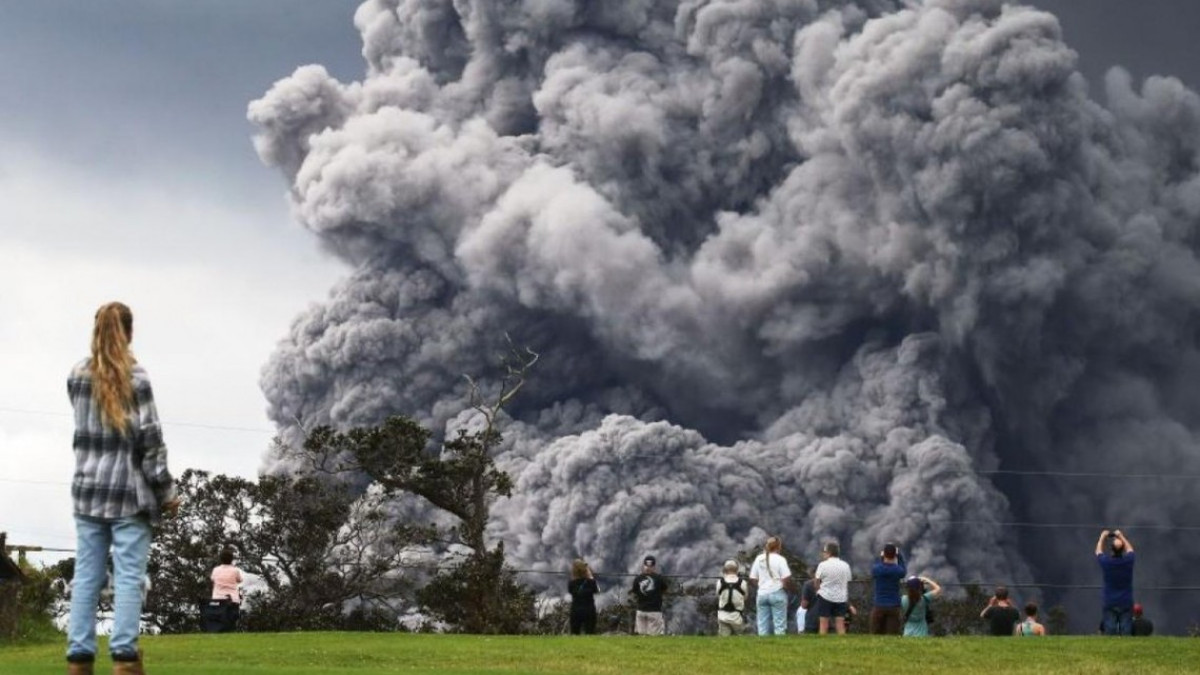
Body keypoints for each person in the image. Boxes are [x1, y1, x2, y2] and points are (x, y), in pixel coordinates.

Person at [66, 302, 178, 675]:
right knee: (129, 577)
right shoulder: (137, 379)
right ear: (129, 333)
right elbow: (150, 442)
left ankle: (79, 659)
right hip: (129, 495)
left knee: (86, 576)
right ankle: (125, 658)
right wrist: (166, 492)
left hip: (87, 492)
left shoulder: (77, 376)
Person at [748, 536, 792, 636]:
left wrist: (761, 586)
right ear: (779, 547)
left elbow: (752, 578)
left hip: (762, 594)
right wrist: (785, 587)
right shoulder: (780, 559)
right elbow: (786, 578)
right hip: (777, 593)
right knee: (779, 626)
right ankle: (779, 648)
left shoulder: (759, 558)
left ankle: (763, 648)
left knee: (762, 625)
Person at [1096, 529, 1135, 636]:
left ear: (1111, 551)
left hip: (1110, 601)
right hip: (1126, 602)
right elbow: (1131, 550)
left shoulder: (1106, 563)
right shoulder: (1128, 561)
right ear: (1122, 550)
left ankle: (1111, 650)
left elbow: (1098, 552)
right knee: (1126, 631)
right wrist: (1121, 536)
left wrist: (1102, 536)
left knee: (1110, 632)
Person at [813, 541, 852, 635]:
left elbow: (816, 581)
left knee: (823, 624)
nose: (823, 554)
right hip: (841, 597)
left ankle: (822, 645)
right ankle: (842, 645)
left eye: (824, 552)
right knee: (840, 624)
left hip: (825, 596)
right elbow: (847, 581)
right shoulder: (845, 565)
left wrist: (818, 591)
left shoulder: (822, 565)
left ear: (828, 553)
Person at [869, 543, 907, 634]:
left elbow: (876, 566)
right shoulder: (898, 571)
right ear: (894, 555)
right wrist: (899, 556)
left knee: (876, 634)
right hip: (894, 606)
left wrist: (881, 557)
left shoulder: (877, 569)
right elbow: (904, 570)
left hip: (879, 605)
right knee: (892, 635)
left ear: (884, 554)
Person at [630, 555, 668, 635]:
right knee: (654, 637)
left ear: (644, 566)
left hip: (641, 611)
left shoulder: (638, 579)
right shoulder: (659, 579)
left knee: (641, 635)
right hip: (654, 611)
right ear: (654, 567)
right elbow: (664, 589)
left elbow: (634, 591)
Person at [715, 560, 747, 636]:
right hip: (737, 617)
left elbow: (718, 596)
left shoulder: (720, 582)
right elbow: (745, 597)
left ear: (724, 570)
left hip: (722, 616)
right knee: (740, 638)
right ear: (737, 570)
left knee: (724, 639)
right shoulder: (743, 582)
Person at [567, 559, 599, 635]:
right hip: (589, 610)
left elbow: (571, 591)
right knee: (590, 633)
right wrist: (590, 575)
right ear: (585, 570)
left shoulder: (571, 583)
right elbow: (597, 590)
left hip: (576, 610)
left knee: (575, 633)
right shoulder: (591, 582)